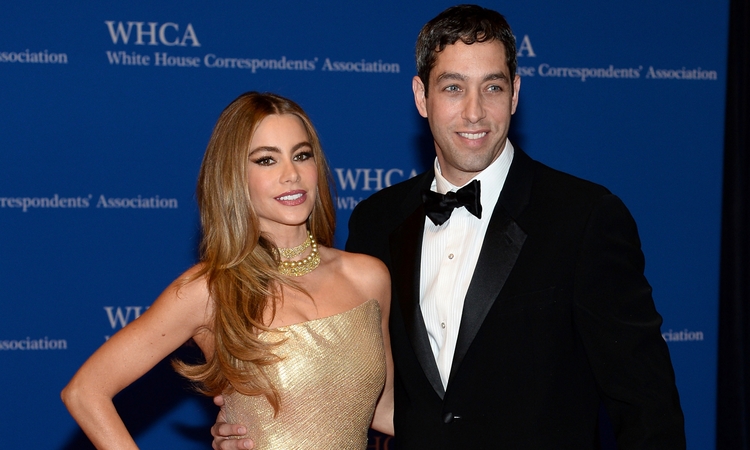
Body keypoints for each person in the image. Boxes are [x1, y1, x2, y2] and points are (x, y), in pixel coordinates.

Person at [213, 5, 685, 449]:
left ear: (516, 93)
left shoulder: (583, 216)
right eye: (453, 88)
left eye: (493, 87)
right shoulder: (378, 221)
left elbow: (646, 402)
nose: (474, 112)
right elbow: (352, 380)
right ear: (422, 96)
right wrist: (258, 420)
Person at [61, 92, 394, 449]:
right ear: (233, 176)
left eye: (301, 155)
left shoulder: (368, 277)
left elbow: (385, 410)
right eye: (266, 160)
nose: (291, 174)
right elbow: (84, 392)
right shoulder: (209, 291)